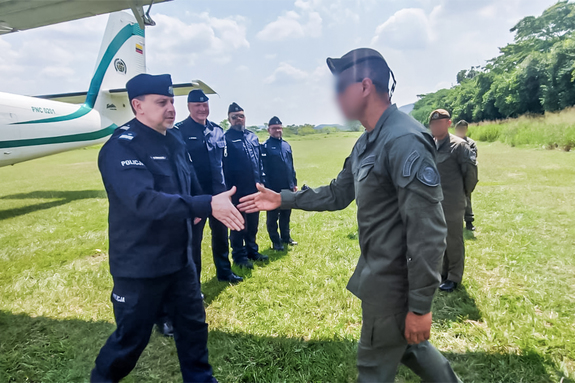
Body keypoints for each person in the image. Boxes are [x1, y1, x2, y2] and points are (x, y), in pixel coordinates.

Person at [238, 48, 461, 382]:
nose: (335, 96)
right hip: (380, 278)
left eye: (340, 87)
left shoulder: (403, 140)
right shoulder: (368, 141)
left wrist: (419, 306)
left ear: (365, 86)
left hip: (393, 285)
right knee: (412, 348)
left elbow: (428, 231)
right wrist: (283, 198)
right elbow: (337, 193)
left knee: (372, 369)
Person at [91, 73, 244, 383]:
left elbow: (187, 182)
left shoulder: (172, 139)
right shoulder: (122, 147)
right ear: (138, 106)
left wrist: (202, 202)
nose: (171, 108)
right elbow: (144, 202)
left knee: (193, 328)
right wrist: (203, 206)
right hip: (141, 266)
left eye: (172, 101)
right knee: (130, 342)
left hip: (180, 260)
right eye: (162, 102)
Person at [175, 89, 243, 284]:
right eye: (197, 105)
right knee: (194, 242)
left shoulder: (217, 131)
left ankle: (225, 273)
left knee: (221, 236)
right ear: (189, 107)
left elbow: (223, 164)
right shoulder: (179, 132)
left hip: (219, 195)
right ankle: (194, 284)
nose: (202, 109)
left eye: (205, 105)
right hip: (196, 197)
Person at [428, 110, 478, 293]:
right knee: (439, 239)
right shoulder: (431, 145)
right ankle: (442, 273)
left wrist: (462, 195)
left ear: (448, 123)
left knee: (453, 240)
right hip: (434, 201)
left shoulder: (460, 146)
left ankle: (454, 277)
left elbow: (470, 175)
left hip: (452, 201)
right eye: (433, 124)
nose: (436, 127)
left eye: (440, 123)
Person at [223, 102, 268, 269]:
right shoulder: (225, 139)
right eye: (234, 117)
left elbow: (259, 162)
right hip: (237, 190)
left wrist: (262, 181)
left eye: (241, 116)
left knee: (253, 223)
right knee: (239, 224)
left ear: (245, 118)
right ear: (229, 119)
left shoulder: (252, 136)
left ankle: (252, 251)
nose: (238, 120)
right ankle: (239, 256)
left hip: (254, 189)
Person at [261, 116, 298, 251]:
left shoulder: (286, 145)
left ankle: (286, 238)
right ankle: (276, 242)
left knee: (286, 215)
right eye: (274, 128)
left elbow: (291, 166)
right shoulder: (264, 147)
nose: (277, 130)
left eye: (279, 128)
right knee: (272, 217)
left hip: (287, 187)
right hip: (273, 188)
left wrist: (294, 183)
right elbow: (263, 169)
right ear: (269, 129)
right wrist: (265, 188)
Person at [454, 120, 478, 231]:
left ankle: (469, 222)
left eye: (463, 129)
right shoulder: (451, 142)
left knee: (467, 199)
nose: (461, 131)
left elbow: (472, 158)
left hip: (466, 174)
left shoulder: (471, 143)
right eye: (459, 129)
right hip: (454, 175)